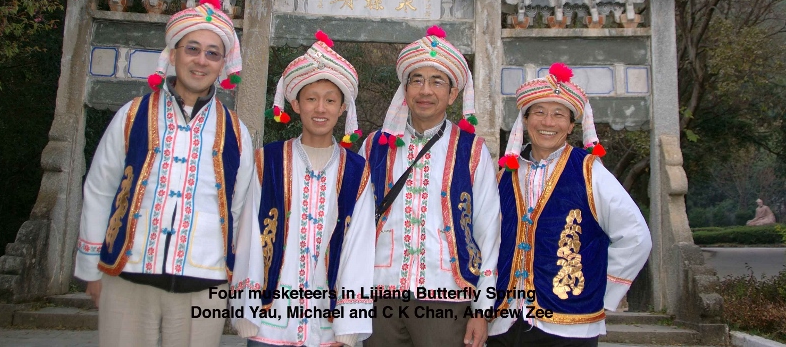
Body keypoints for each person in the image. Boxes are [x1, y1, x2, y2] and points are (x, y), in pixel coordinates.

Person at [75, 0, 254, 347]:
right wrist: (91, 267)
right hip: (127, 275)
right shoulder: (132, 115)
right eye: (192, 49)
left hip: (206, 283)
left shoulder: (236, 131)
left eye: (212, 53)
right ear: (173, 54)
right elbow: (100, 189)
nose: (201, 61)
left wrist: (238, 285)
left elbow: (240, 210)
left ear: (223, 64)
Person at [489, 63, 652, 347]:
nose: (548, 122)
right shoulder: (504, 176)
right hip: (504, 321)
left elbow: (636, 236)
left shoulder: (590, 172)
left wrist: (600, 290)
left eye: (558, 114)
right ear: (525, 120)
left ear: (571, 126)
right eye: (539, 112)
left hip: (569, 326)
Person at [231, 31, 376, 347]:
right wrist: (246, 310)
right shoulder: (268, 160)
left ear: (342, 108)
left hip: (328, 326)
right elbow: (250, 234)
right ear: (296, 104)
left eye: (330, 100)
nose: (320, 108)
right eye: (311, 99)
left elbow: (359, 247)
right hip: (269, 323)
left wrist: (348, 325)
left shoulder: (356, 171)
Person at [361, 26, 500, 347]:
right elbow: (354, 224)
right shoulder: (374, 146)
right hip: (379, 292)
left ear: (452, 94)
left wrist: (482, 308)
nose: (425, 90)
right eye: (417, 80)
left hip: (446, 296)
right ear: (405, 89)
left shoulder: (472, 150)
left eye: (437, 81)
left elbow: (488, 231)